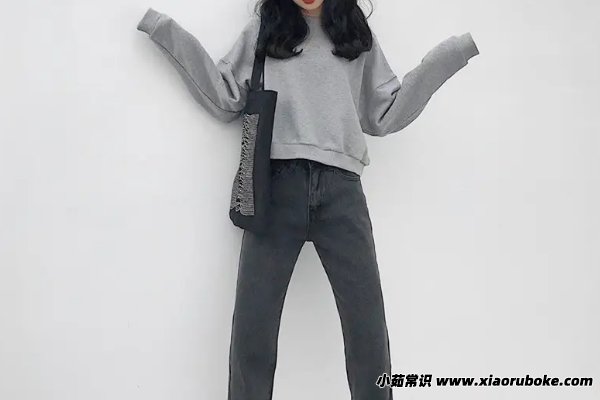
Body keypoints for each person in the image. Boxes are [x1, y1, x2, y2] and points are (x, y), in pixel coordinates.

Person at [136, 1, 479, 399]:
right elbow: (225, 96)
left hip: (342, 192)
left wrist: (451, 55)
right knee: (252, 333)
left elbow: (383, 113)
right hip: (275, 189)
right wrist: (163, 29)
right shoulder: (265, 27)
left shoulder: (356, 36)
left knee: (368, 334)